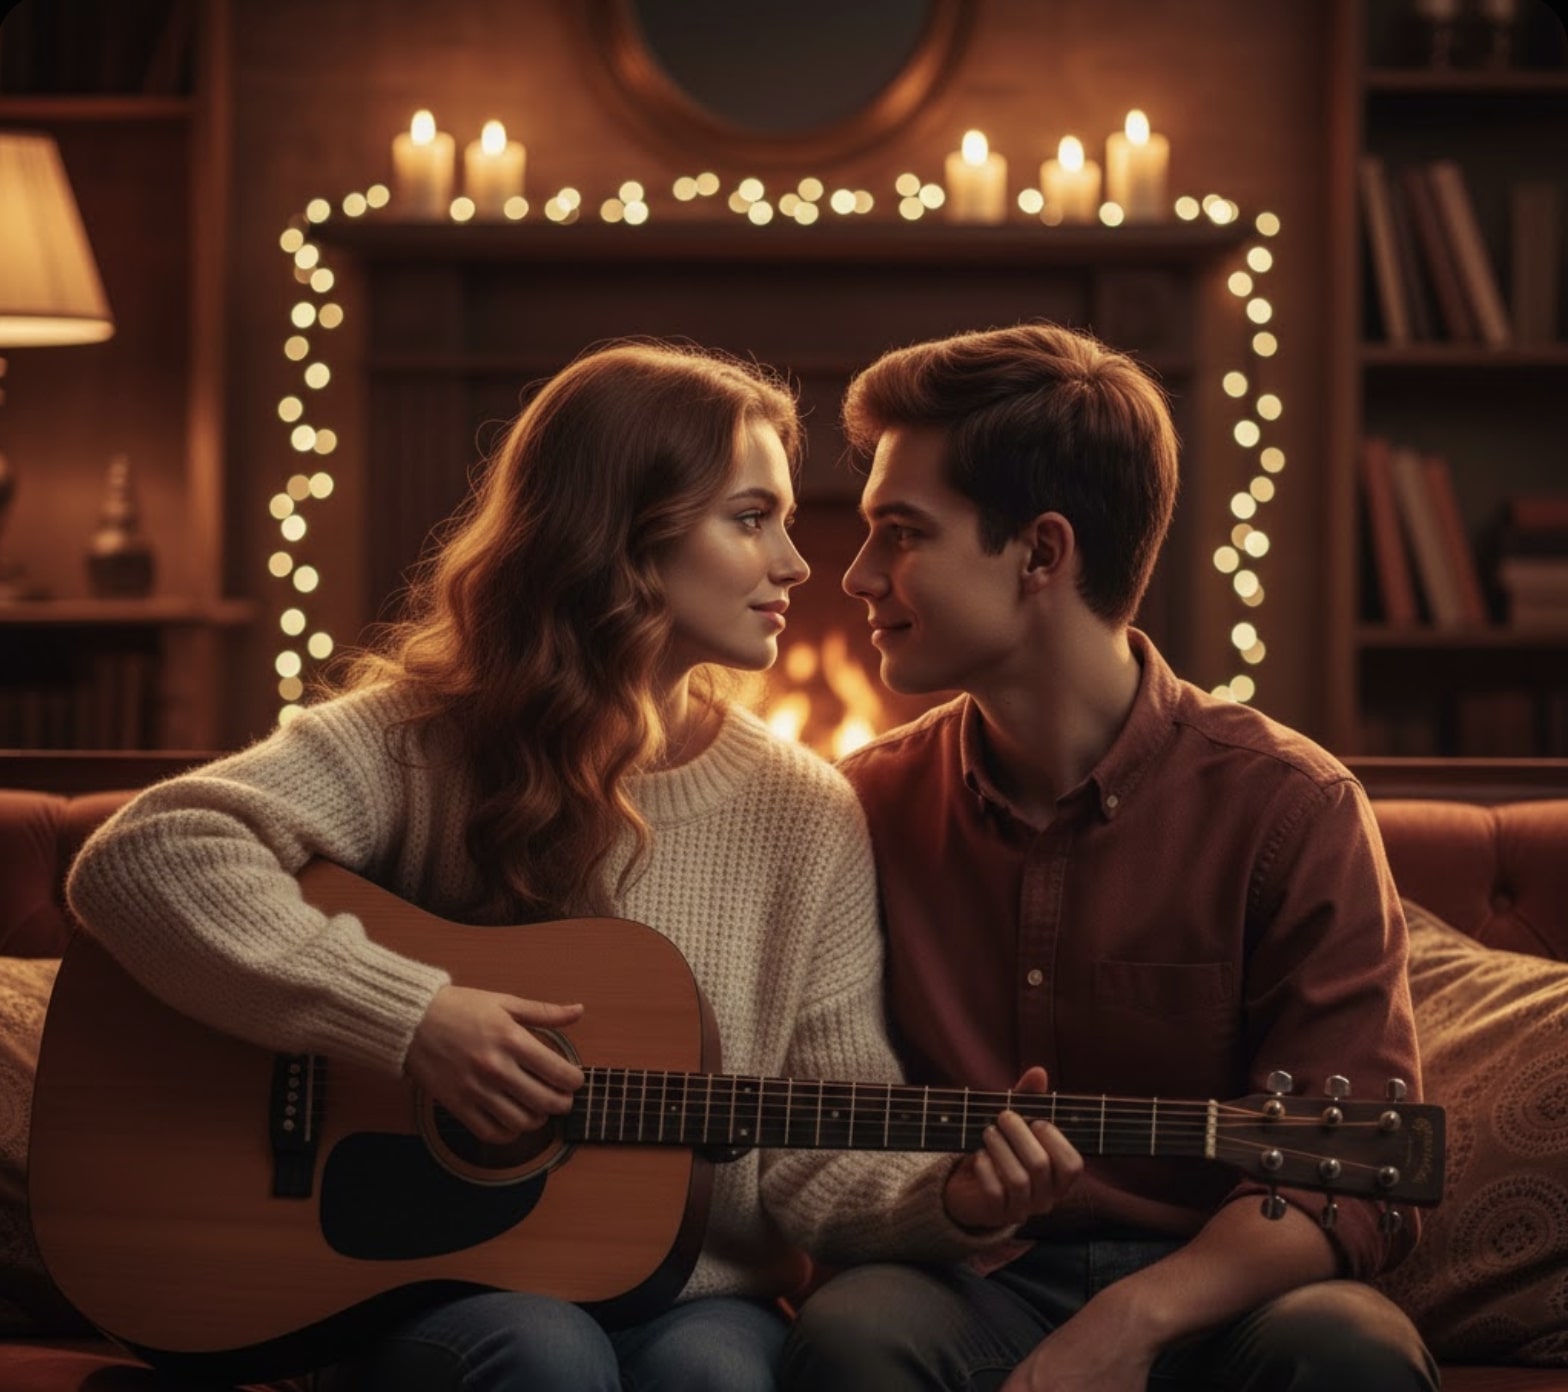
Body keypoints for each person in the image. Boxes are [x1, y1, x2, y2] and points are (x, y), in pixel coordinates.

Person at [65, 340, 1050, 1392]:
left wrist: (947, 1201)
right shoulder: (422, 738)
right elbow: (143, 858)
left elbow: (815, 1155)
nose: (797, 564)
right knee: (544, 1358)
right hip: (432, 1277)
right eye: (749, 517)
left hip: (694, 1296)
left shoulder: (804, 812)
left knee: (714, 1383)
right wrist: (413, 1019)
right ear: (625, 532)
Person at [779, 322, 1439, 1392]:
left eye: (900, 533)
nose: (854, 574)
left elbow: (1353, 1173)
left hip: (1225, 1294)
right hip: (968, 1281)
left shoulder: (1291, 808)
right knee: (852, 1332)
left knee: (1348, 1352)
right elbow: (828, 1136)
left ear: (1040, 553)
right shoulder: (860, 806)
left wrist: (1133, 1316)